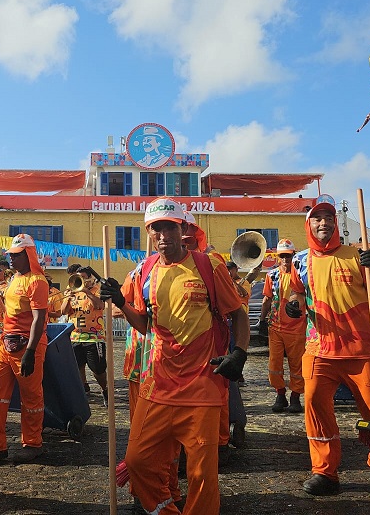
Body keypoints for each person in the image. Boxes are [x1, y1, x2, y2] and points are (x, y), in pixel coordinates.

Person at [101, 198, 248, 515]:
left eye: (169, 226)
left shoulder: (210, 267)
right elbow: (144, 325)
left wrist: (239, 353)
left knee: (202, 476)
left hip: (202, 387)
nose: (163, 234)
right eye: (156, 228)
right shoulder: (147, 271)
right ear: (149, 232)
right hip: (157, 384)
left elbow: (237, 313)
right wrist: (121, 303)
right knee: (138, 459)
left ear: (182, 228)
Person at [289, 201, 370, 495]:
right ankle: (325, 472)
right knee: (313, 404)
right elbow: (299, 293)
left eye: (329, 218)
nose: (323, 223)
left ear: (336, 224)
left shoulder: (358, 256)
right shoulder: (300, 260)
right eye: (317, 219)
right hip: (318, 349)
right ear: (308, 225)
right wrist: (295, 305)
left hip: (360, 349)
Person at [0, 233, 49, 465]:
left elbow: (39, 319)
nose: (12, 260)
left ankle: (32, 443)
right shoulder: (15, 279)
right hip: (5, 343)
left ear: (28, 255)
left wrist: (30, 352)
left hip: (28, 345)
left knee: (31, 397)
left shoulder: (38, 282)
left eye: (16, 256)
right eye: (10, 256)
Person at [261, 239, 306, 413]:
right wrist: (262, 320)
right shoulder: (271, 275)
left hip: (297, 328)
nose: (286, 260)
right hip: (276, 327)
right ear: (277, 257)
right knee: (274, 363)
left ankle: (295, 396)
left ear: (294, 256)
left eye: (289, 256)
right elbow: (267, 299)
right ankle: (280, 394)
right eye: (282, 256)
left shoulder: (301, 276)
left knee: (297, 365)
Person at [61, 267, 109, 404]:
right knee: (78, 366)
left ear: (90, 279)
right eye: (78, 277)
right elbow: (63, 312)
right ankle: (83, 389)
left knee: (97, 369)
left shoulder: (97, 290)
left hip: (94, 337)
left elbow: (99, 306)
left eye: (83, 277)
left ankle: (105, 389)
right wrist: (67, 299)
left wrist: (87, 292)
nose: (80, 280)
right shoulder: (72, 291)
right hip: (75, 336)